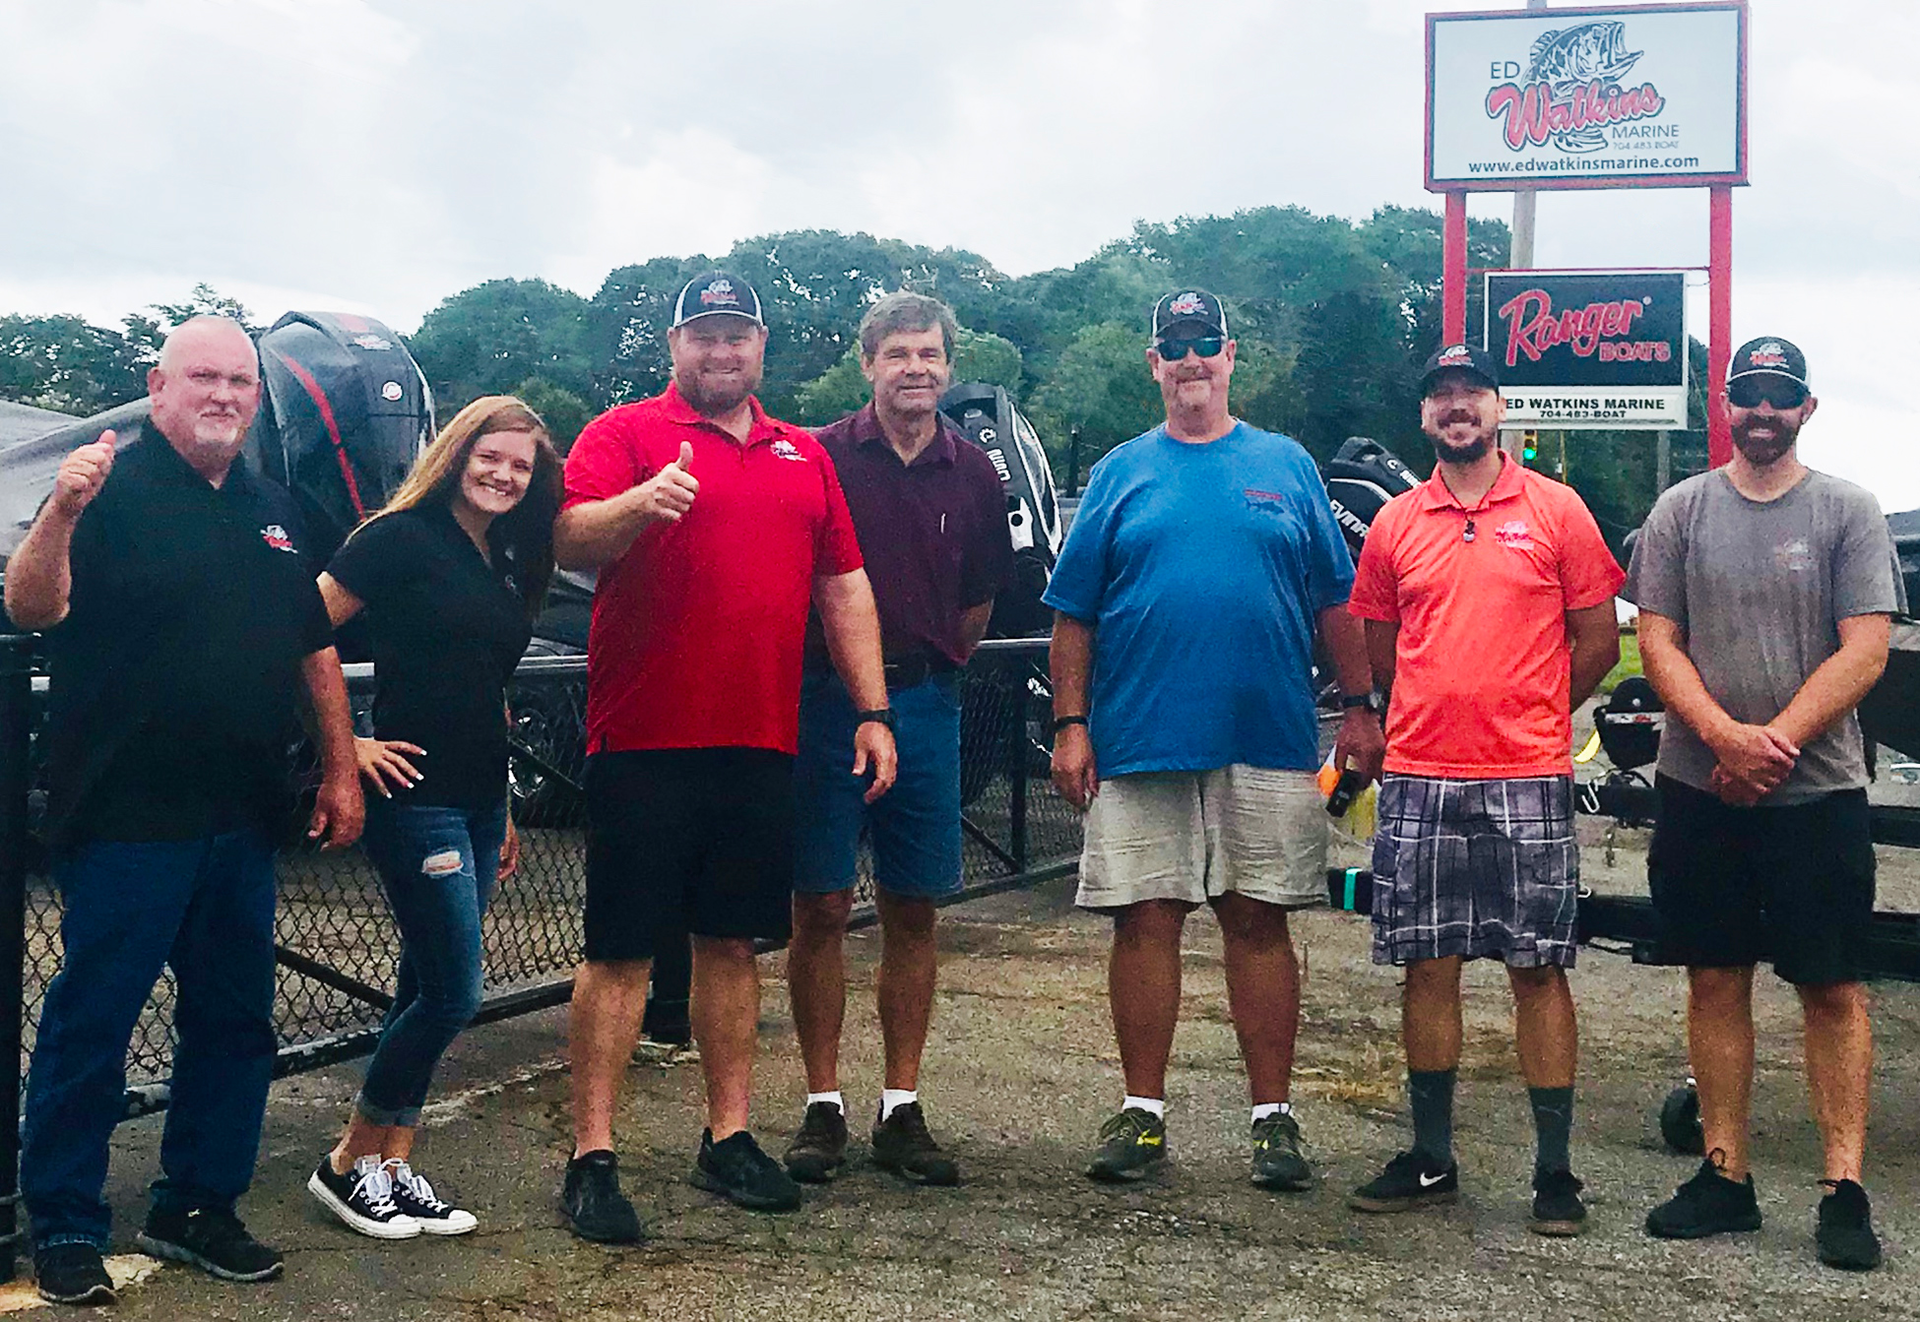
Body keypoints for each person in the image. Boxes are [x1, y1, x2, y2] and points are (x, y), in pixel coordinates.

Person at [6, 317, 363, 1306]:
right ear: (159, 386)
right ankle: (68, 1219)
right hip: (125, 815)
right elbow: (32, 606)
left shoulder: (273, 506)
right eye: (203, 376)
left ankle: (197, 1202)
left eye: (240, 382)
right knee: (95, 1018)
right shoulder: (103, 486)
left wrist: (338, 766)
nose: (223, 395)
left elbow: (311, 648)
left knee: (234, 1022)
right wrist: (61, 514)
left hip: (242, 817)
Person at [554, 272, 896, 1240]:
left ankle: (729, 1134)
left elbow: (844, 584)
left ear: (761, 346)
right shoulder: (624, 433)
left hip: (760, 737)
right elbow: (564, 536)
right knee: (619, 950)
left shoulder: (802, 453)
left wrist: (873, 707)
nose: (720, 352)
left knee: (733, 942)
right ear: (675, 347)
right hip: (643, 736)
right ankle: (592, 1153)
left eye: (736, 336)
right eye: (702, 336)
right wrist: (636, 505)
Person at [1044, 289, 1382, 1190]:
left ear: (1232, 357)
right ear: (1153, 363)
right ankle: (1143, 1113)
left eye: (1206, 345)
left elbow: (1334, 598)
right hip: (1139, 734)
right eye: (1174, 347)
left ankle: (1273, 1119)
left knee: (1258, 919)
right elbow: (1072, 616)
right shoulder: (1121, 471)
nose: (1192, 361)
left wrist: (1361, 705)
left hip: (1267, 736)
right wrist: (1069, 726)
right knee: (1145, 921)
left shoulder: (1286, 465)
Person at [1628, 337, 1898, 1271]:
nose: (1762, 413)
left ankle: (1844, 1188)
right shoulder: (1680, 511)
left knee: (1830, 986)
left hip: (1816, 792)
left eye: (1780, 399)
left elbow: (1865, 648)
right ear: (1724, 403)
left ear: (1806, 409)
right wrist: (1723, 740)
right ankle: (1725, 1174)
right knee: (1714, 975)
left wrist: (1773, 739)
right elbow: (1658, 641)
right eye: (1748, 396)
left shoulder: (1847, 512)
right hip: (1702, 789)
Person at [1344, 344, 1623, 1235]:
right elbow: (1380, 644)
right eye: (1441, 397)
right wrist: (1427, 710)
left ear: (1501, 406)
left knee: (1538, 968)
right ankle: (1432, 1159)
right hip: (1421, 775)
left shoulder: (1557, 510)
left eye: (1472, 393)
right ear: (1425, 417)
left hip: (1526, 774)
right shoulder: (1397, 523)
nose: (1457, 407)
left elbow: (1595, 640)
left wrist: (1534, 710)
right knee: (1427, 967)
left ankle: (1555, 1171)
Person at [304, 396, 562, 1240]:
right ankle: (345, 1163)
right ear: (456, 454)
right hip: (413, 803)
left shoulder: (506, 556)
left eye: (520, 466)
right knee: (454, 992)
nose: (503, 474)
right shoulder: (397, 537)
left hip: (483, 802)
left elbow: (483, 682)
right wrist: (349, 752)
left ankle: (394, 1163)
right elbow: (293, 633)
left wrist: (507, 810)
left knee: (423, 983)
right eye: (490, 456)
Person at [782, 292, 1012, 1188]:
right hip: (823, 705)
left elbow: (982, 597)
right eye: (899, 353)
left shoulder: (975, 472)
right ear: (867, 363)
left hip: (926, 702)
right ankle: (822, 1103)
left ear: (949, 366)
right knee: (822, 905)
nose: (917, 368)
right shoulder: (818, 457)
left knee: (915, 908)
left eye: (931, 354)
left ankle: (901, 1106)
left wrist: (939, 661)